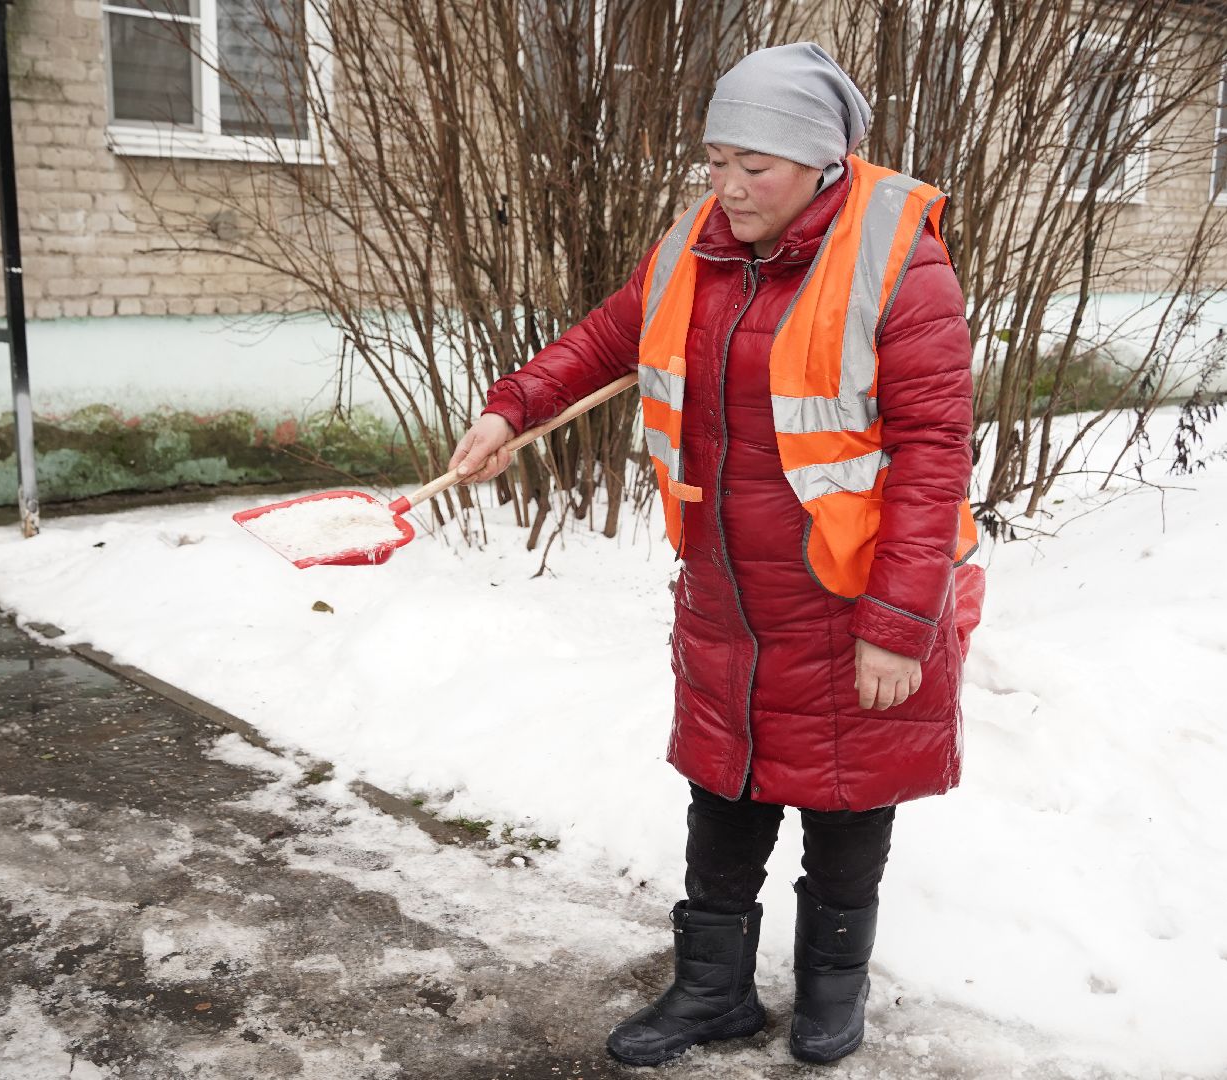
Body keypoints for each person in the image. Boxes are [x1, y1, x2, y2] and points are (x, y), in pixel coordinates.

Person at [448, 42, 981, 1067]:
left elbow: (932, 454)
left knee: (845, 802)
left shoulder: (897, 261)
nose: (729, 186)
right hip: (729, 594)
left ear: (821, 163)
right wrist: (512, 408)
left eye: (756, 166)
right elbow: (608, 338)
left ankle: (833, 992)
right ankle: (710, 992)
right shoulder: (699, 242)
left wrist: (902, 623)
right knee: (724, 796)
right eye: (716, 159)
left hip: (848, 594)